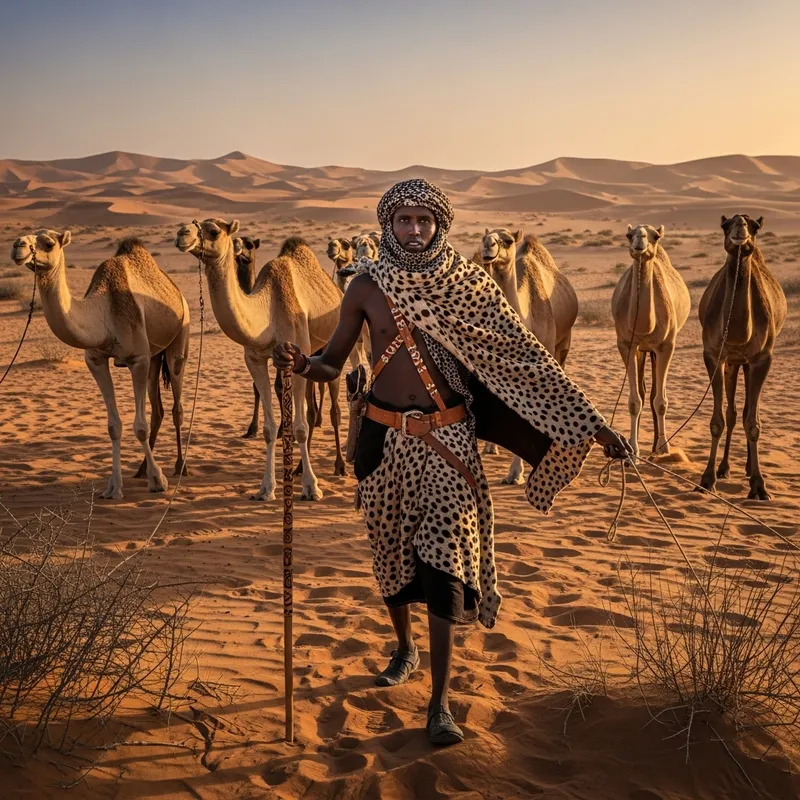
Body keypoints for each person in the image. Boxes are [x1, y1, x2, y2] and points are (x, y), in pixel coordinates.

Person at [274, 179, 631, 746]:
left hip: (450, 444)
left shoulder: (467, 283)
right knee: (390, 556)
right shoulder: (366, 286)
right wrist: (302, 363)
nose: (414, 230)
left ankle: (439, 705)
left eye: (425, 221)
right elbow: (333, 362)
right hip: (384, 441)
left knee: (444, 564)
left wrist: (593, 424)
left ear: (441, 225)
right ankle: (405, 647)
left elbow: (527, 360)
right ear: (387, 224)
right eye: (404, 221)